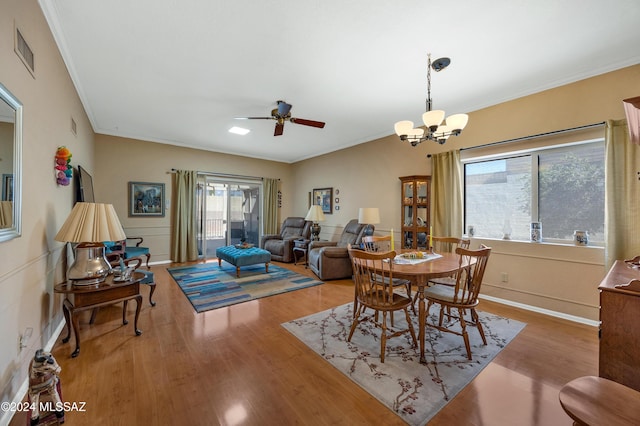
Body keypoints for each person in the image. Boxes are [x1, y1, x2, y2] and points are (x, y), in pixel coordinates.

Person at [28, 349, 64, 425]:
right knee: (53, 389)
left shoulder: (35, 365)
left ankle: (35, 416)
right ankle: (59, 410)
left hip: (36, 383)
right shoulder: (46, 361)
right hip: (48, 380)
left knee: (33, 394)